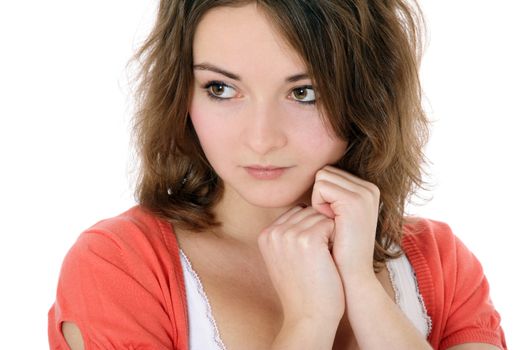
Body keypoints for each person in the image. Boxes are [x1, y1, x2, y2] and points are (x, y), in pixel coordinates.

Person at [48, 0, 506, 349]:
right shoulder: (120, 267)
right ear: (182, 94)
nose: (262, 138)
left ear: (369, 95)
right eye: (221, 88)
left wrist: (362, 288)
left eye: (305, 92)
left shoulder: (438, 262)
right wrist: (308, 322)